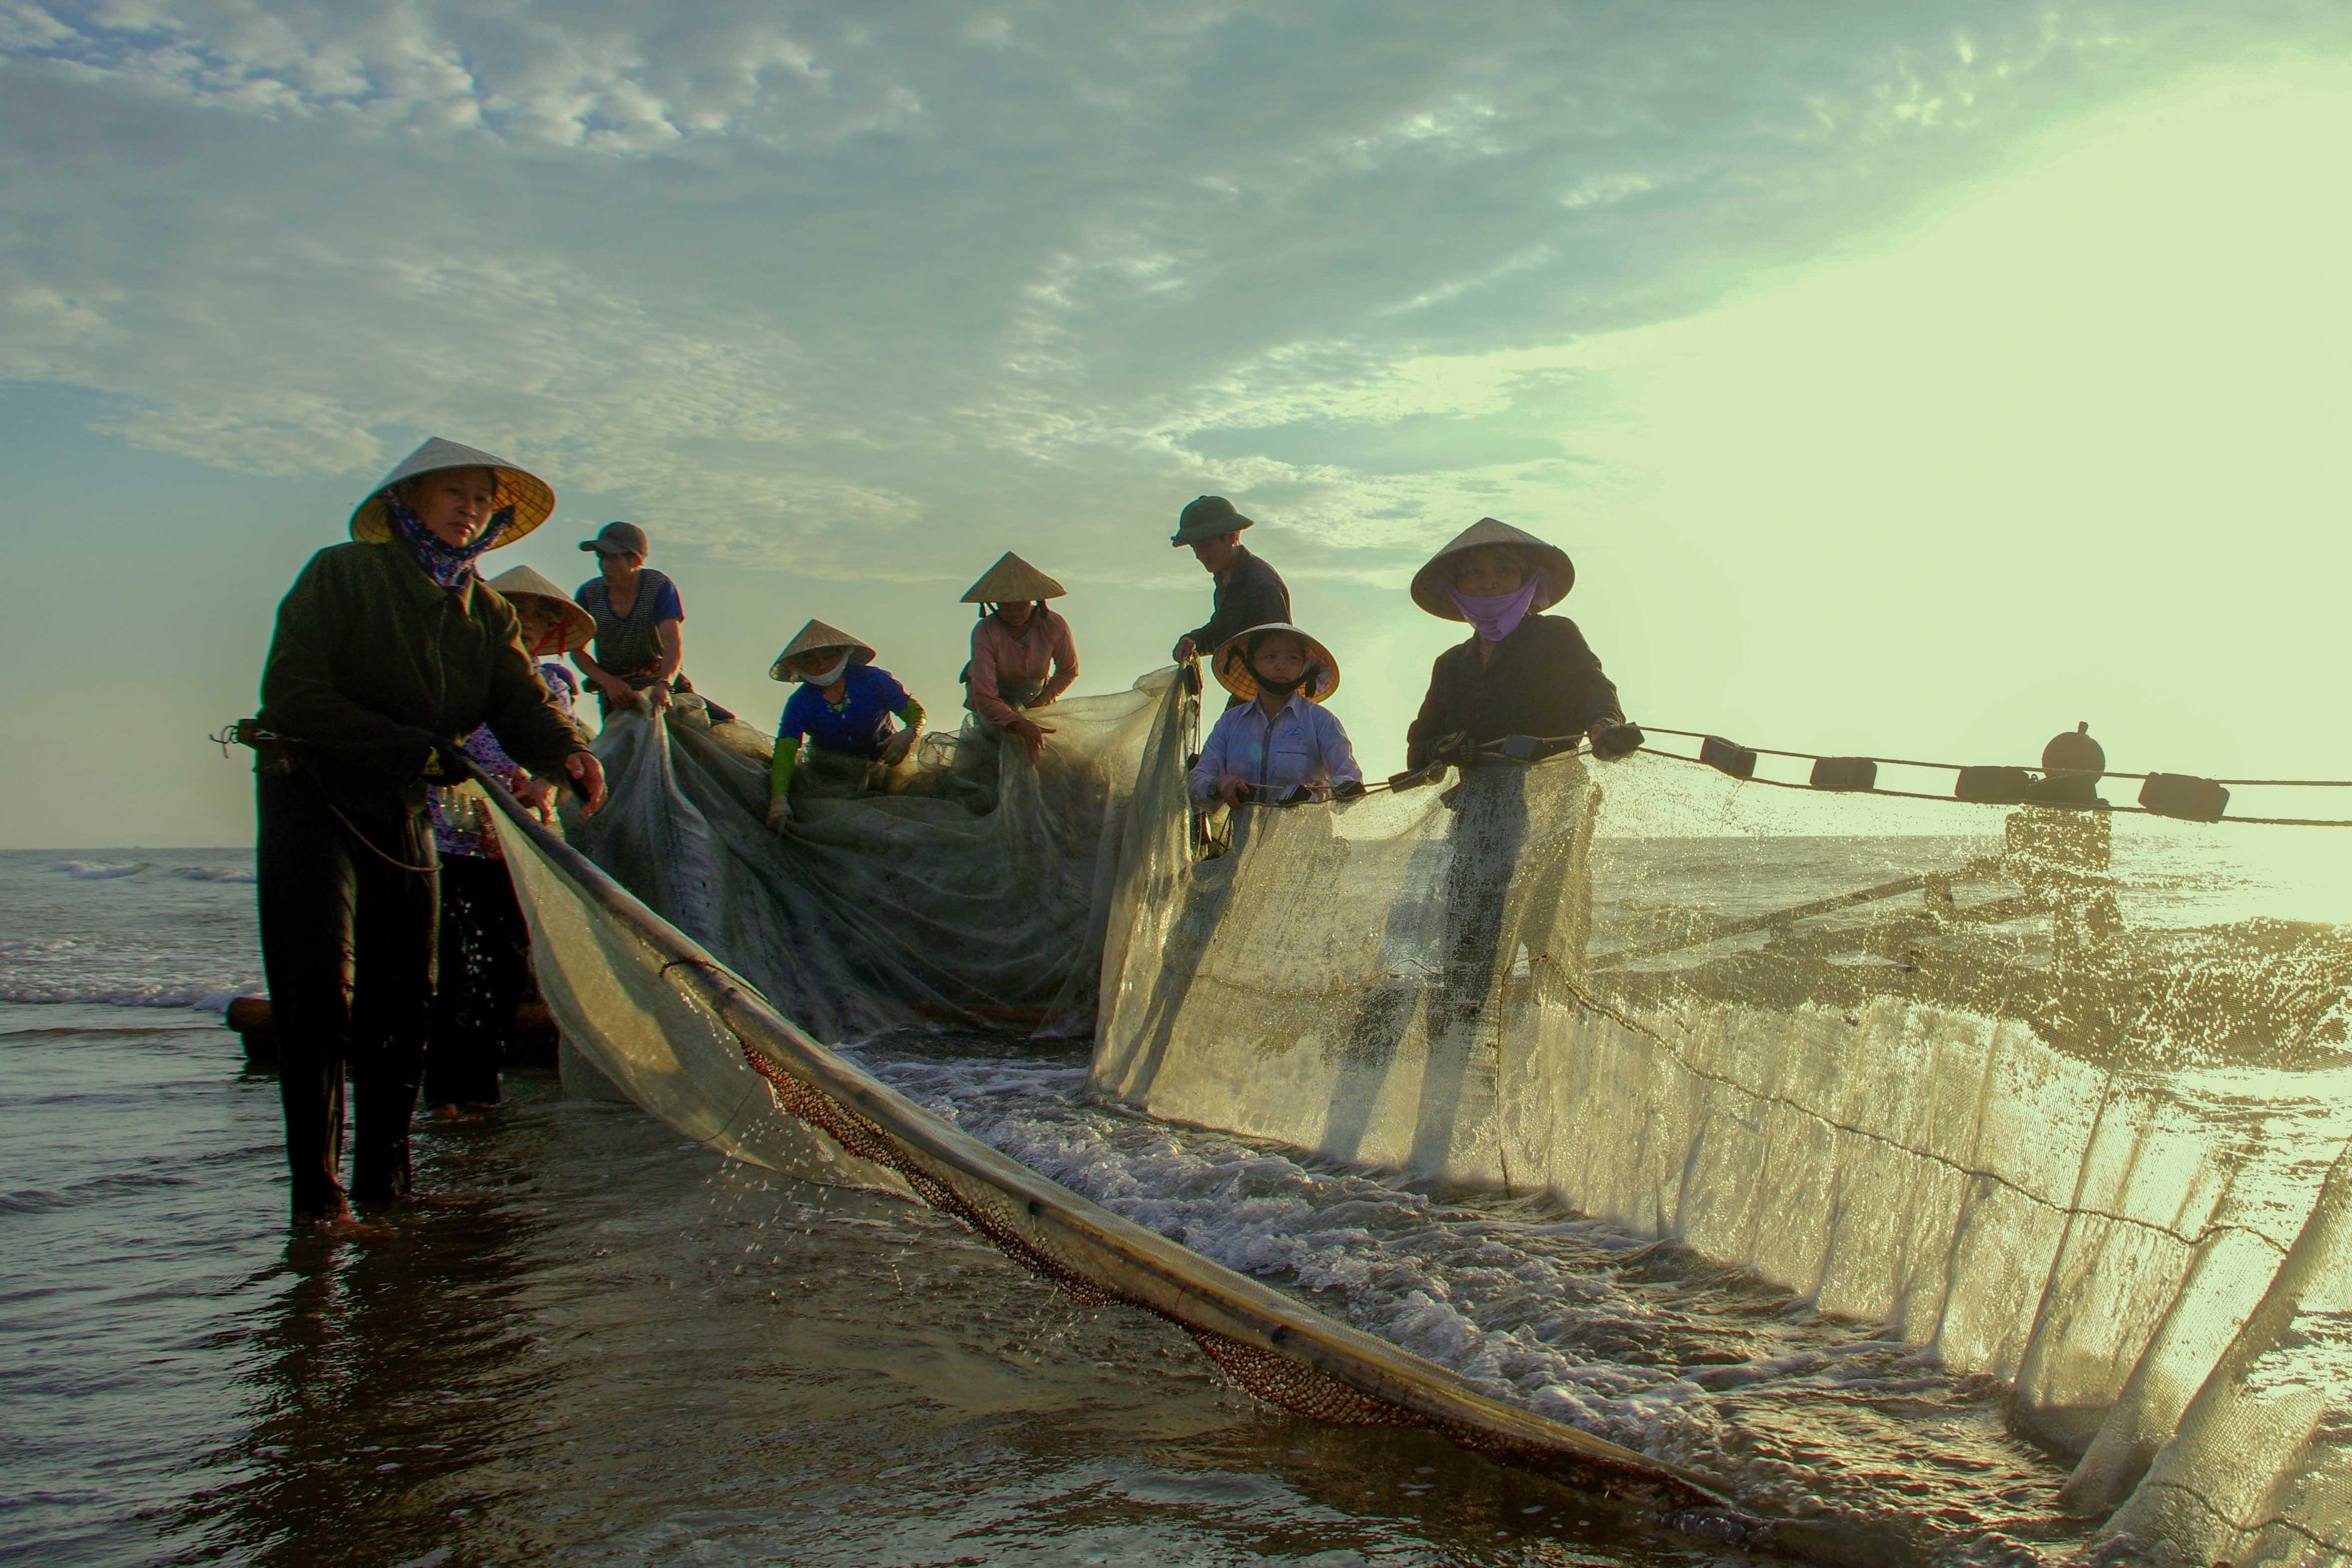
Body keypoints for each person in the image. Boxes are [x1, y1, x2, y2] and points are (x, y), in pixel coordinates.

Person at [250, 436, 606, 1229]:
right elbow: (294, 694)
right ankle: (318, 1197)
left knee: (407, 994)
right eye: (452, 492)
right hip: (311, 794)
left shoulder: (485, 610)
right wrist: (411, 745)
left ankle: (386, 1184)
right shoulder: (341, 575)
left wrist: (569, 750)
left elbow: (520, 701)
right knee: (317, 994)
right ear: (407, 502)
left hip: (403, 805)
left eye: (482, 498)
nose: (468, 508)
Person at [420, 566, 593, 1115]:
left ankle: (481, 1089)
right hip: (453, 832)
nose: (532, 627)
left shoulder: (554, 684)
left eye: (542, 619)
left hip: (520, 839)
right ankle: (447, 1092)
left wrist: (535, 796)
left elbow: (558, 760)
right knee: (457, 962)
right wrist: (482, 798)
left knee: (505, 961)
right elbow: (444, 746)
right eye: (520, 615)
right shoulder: (459, 671)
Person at [1403, 517, 1639, 772]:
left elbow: (1595, 688)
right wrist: (1441, 748)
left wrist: (1604, 723)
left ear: (1526, 580)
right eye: (1475, 573)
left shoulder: (1555, 635)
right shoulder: (1450, 665)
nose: (1489, 583)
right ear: (1456, 587)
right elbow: (1418, 750)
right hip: (1472, 809)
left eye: (1504, 570)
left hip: (1555, 797)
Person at [764, 620, 926, 827]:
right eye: (812, 661)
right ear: (800, 668)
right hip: (830, 778)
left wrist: (909, 733)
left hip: (884, 766)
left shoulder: (872, 680)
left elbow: (915, 712)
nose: (822, 665)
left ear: (844, 655)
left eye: (828, 657)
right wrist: (778, 801)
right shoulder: (800, 702)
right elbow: (785, 751)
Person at [1187, 623, 1363, 806]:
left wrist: (1327, 788)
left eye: (1292, 657)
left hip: (1308, 833)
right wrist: (1219, 785)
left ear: (1304, 666)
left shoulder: (1322, 721)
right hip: (1243, 834)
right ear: (1251, 663)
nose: (1281, 666)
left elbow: (1351, 779)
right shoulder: (1230, 722)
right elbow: (1196, 781)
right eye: (1270, 657)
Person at [1168, 496, 1290, 707]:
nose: (1199, 555)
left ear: (1232, 537)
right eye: (1195, 548)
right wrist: (1193, 641)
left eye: (1205, 545)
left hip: (1267, 697)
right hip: (1247, 692)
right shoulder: (1226, 579)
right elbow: (1222, 631)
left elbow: (1281, 650)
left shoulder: (1261, 584)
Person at [960, 551, 1078, 763]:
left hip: (1034, 695)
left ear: (1035, 601)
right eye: (1006, 604)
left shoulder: (1054, 625)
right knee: (996, 757)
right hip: (992, 703)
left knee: (1052, 756)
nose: (1014, 611)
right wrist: (1017, 722)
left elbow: (1068, 670)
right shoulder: (985, 631)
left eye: (1021, 603)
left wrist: (1041, 703)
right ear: (994, 604)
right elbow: (985, 694)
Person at [573, 522, 698, 717]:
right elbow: (577, 649)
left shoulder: (658, 587)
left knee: (720, 729)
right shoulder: (589, 595)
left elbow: (672, 641)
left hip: (658, 682)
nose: (605, 565)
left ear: (636, 561)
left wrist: (665, 683)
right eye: (602, 557)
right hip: (618, 692)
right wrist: (608, 682)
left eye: (614, 558)